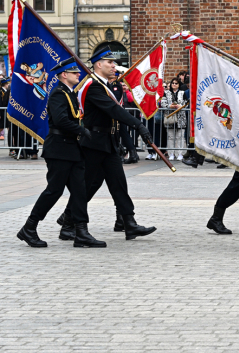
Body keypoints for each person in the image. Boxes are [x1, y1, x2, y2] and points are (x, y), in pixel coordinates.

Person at [56, 50, 157, 241]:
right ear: (98, 65)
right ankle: (68, 222)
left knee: (118, 183)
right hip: (93, 143)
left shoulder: (104, 86)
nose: (114, 66)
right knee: (87, 185)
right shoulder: (93, 87)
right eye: (110, 62)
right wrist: (138, 125)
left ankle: (129, 223)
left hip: (107, 142)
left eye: (114, 62)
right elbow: (113, 110)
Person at [17, 58, 104, 248]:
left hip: (72, 149)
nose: (78, 74)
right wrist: (82, 131)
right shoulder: (58, 94)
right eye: (74, 73)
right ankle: (29, 227)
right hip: (59, 148)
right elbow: (60, 119)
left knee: (80, 192)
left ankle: (80, 231)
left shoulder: (69, 93)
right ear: (64, 75)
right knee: (54, 190)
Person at [160, 78, 188, 161]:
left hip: (181, 117)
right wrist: (170, 106)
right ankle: (171, 153)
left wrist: (180, 106)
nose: (174, 85)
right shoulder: (166, 93)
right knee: (171, 137)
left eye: (176, 83)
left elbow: (186, 103)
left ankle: (180, 153)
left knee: (180, 137)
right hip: (170, 117)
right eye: (173, 83)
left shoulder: (182, 93)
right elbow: (163, 103)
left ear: (179, 84)